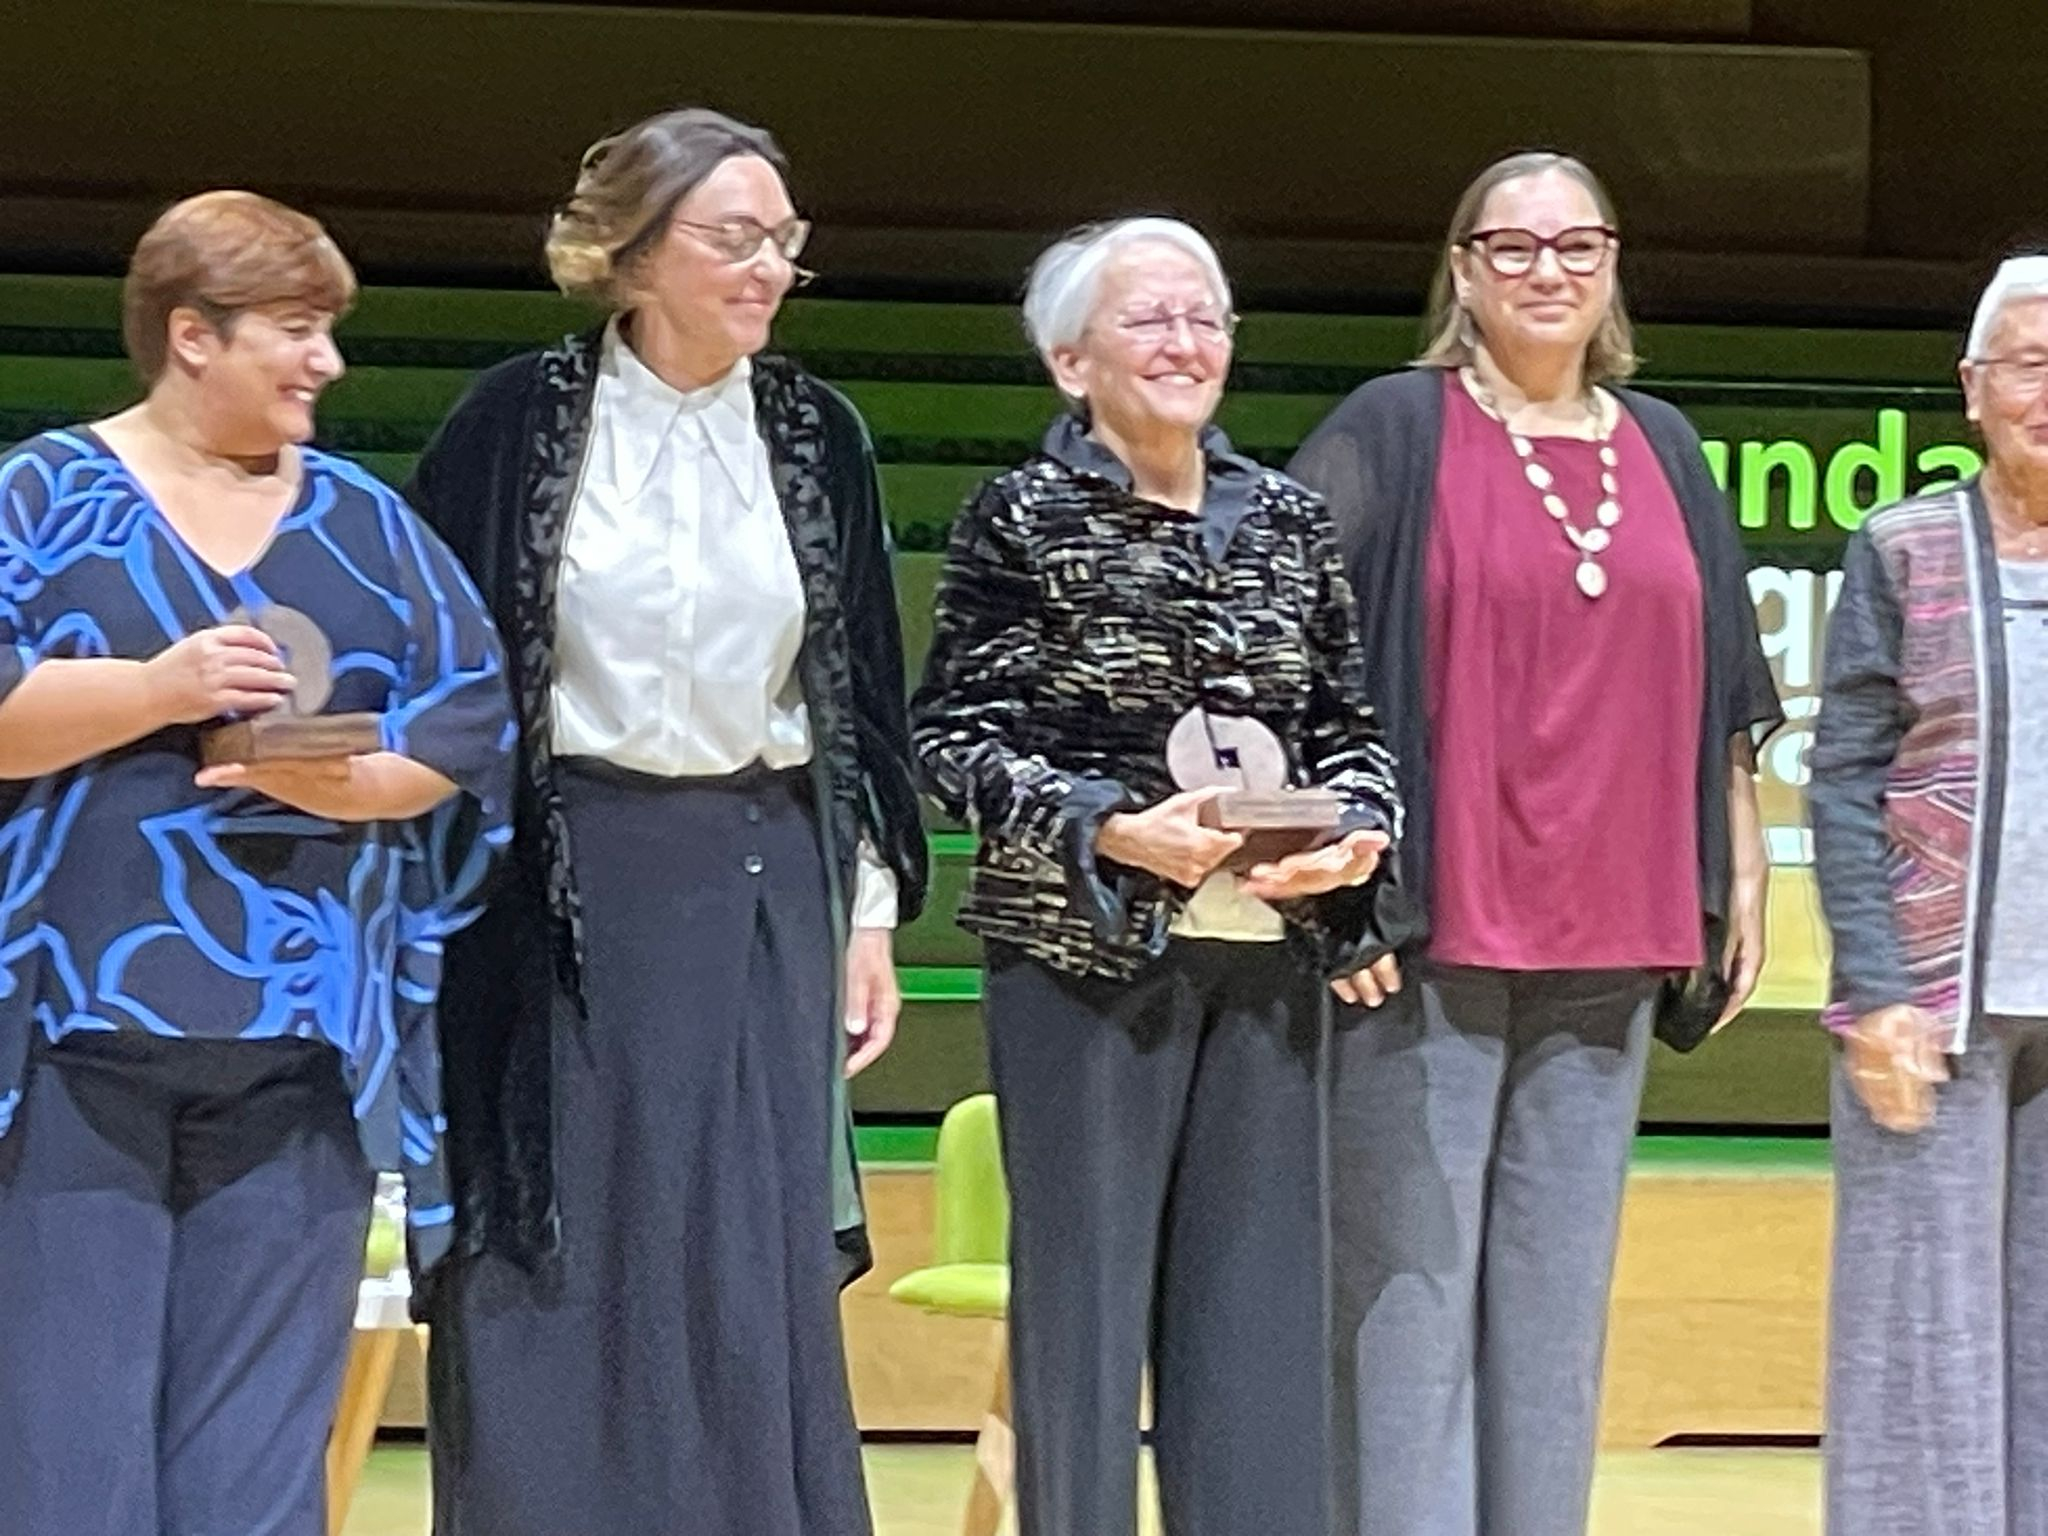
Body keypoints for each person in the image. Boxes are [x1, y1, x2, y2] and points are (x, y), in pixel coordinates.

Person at [409, 108, 929, 1536]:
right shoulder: (511, 419)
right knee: (565, 1225)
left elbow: (859, 698)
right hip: (558, 877)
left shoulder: (820, 436)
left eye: (784, 241)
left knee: (736, 1239)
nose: (768, 268)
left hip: (759, 872)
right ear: (628, 253)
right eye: (733, 238)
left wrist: (867, 917)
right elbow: (438, 667)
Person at [0, 190, 511, 1536]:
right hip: (71, 1048)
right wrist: (155, 689)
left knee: (255, 1468)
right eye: (294, 331)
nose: (325, 364)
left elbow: (464, 727)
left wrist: (328, 781)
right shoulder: (42, 496)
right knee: (65, 1444)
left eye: (328, 332)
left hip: (297, 1054)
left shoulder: (365, 524)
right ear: (190, 336)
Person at [1287, 151, 1781, 1536]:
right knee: (1408, 1302)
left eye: (1577, 246)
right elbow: (1290, 649)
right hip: (1434, 926)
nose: (1547, 271)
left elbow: (1725, 682)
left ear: (1612, 266)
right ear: (1462, 271)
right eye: (1511, 248)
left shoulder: (1665, 444)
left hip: (1619, 927)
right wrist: (1332, 894)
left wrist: (1735, 866)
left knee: (1557, 1311)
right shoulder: (1395, 425)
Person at [912, 216, 1415, 1536]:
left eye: (1207, 319)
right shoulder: (1019, 516)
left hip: (1265, 966)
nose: (1188, 344)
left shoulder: (1291, 521)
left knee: (1254, 1325)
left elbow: (1352, 731)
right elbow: (950, 738)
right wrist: (1111, 826)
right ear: (1071, 361)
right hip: (1083, 963)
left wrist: (1358, 831)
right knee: (1080, 1320)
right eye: (1153, 320)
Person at [1812, 254, 2048, 1536]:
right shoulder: (1903, 544)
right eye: (2027, 365)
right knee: (1920, 1355)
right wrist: (1873, 993)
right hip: (1932, 1011)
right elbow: (1842, 777)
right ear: (1971, 390)